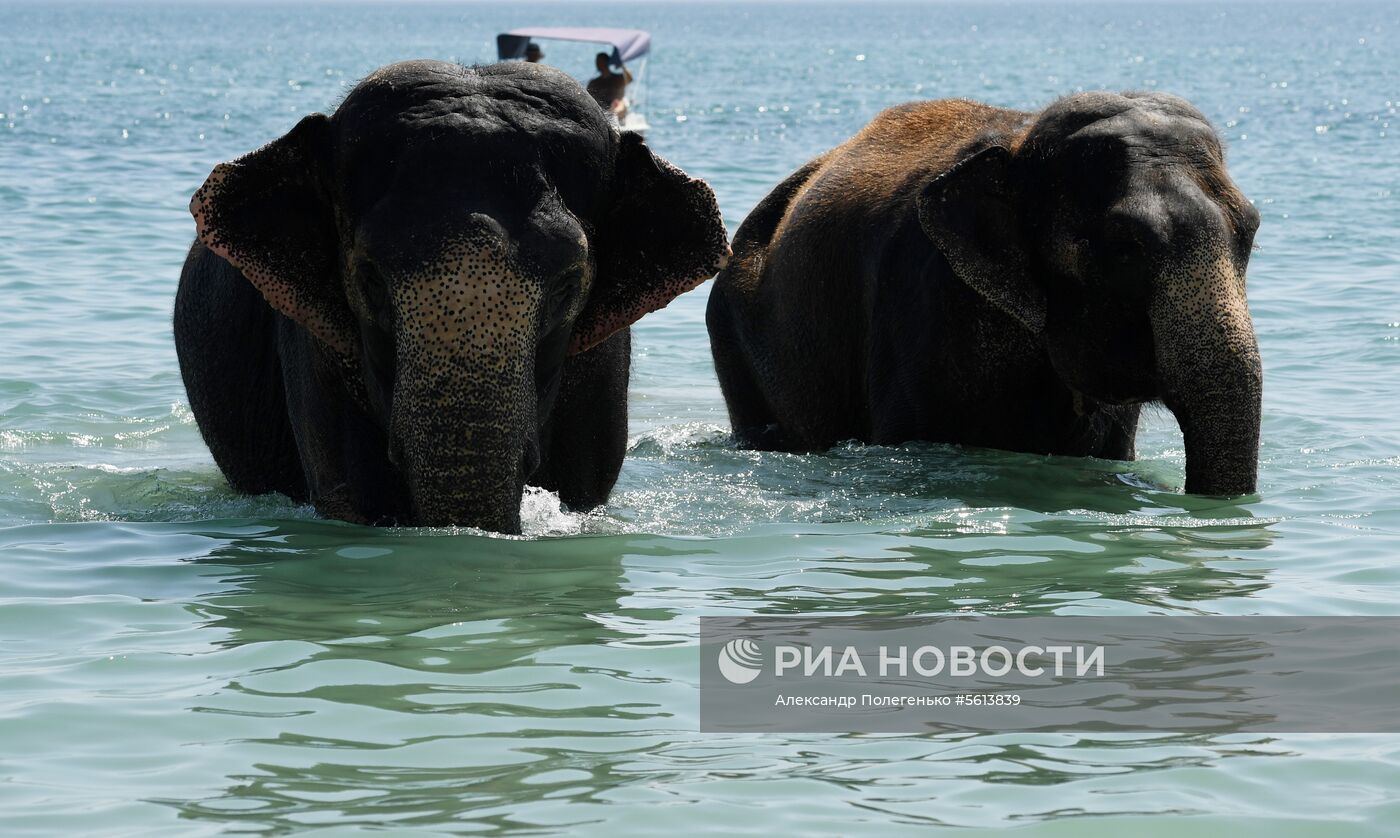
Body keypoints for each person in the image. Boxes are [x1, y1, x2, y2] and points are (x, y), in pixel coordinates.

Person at [586, 52, 632, 118]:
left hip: (617, 107)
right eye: (597, 61)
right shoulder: (594, 82)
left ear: (606, 62)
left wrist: (622, 66)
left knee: (618, 103)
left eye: (600, 61)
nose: (598, 64)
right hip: (601, 109)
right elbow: (588, 98)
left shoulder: (618, 78)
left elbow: (630, 79)